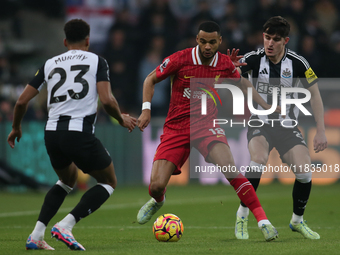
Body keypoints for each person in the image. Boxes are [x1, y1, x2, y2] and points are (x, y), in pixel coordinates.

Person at [136, 21, 279, 241]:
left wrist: (266, 105)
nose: (207, 47)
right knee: (155, 186)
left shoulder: (223, 63)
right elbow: (150, 79)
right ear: (197, 40)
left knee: (231, 170)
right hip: (177, 127)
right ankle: (159, 200)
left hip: (206, 125)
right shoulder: (180, 58)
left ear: (220, 41)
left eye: (212, 42)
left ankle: (263, 221)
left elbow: (242, 84)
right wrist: (146, 110)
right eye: (203, 41)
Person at [7, 19, 136, 251]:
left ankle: (36, 235)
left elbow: (20, 102)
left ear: (65, 41)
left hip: (52, 133)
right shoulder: (98, 61)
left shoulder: (49, 63)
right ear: (88, 40)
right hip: (78, 131)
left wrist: (16, 127)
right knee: (108, 181)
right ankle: (66, 225)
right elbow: (106, 100)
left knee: (67, 180)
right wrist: (121, 118)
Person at [234, 16, 327, 240]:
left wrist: (321, 130)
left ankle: (297, 221)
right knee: (258, 160)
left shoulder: (298, 62)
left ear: (285, 40)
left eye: (276, 39)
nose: (270, 43)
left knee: (305, 172)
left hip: (287, 126)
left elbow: (315, 95)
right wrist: (232, 68)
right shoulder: (253, 58)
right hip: (260, 122)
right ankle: (242, 215)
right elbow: (237, 76)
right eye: (267, 38)